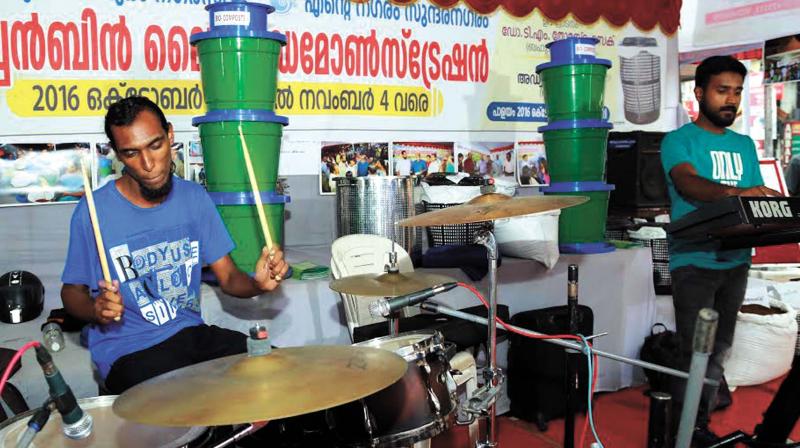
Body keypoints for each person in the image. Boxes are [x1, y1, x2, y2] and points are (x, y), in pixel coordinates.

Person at [60, 96, 289, 394]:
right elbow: (71, 292)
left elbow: (230, 279)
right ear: (117, 155)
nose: (148, 164)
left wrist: (259, 284)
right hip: (128, 351)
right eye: (131, 153)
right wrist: (96, 308)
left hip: (191, 336)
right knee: (184, 412)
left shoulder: (194, 198)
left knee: (280, 375)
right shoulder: (93, 211)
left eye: (155, 145)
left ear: (170, 135)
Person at [660, 56, 781, 446]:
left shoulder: (744, 145)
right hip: (694, 261)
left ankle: (698, 425)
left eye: (737, 91)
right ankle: (682, 432)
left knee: (719, 350)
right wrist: (736, 193)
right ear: (699, 93)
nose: (731, 99)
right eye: (721, 90)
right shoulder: (679, 141)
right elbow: (689, 184)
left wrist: (776, 205)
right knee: (694, 349)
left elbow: (754, 201)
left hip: (737, 259)